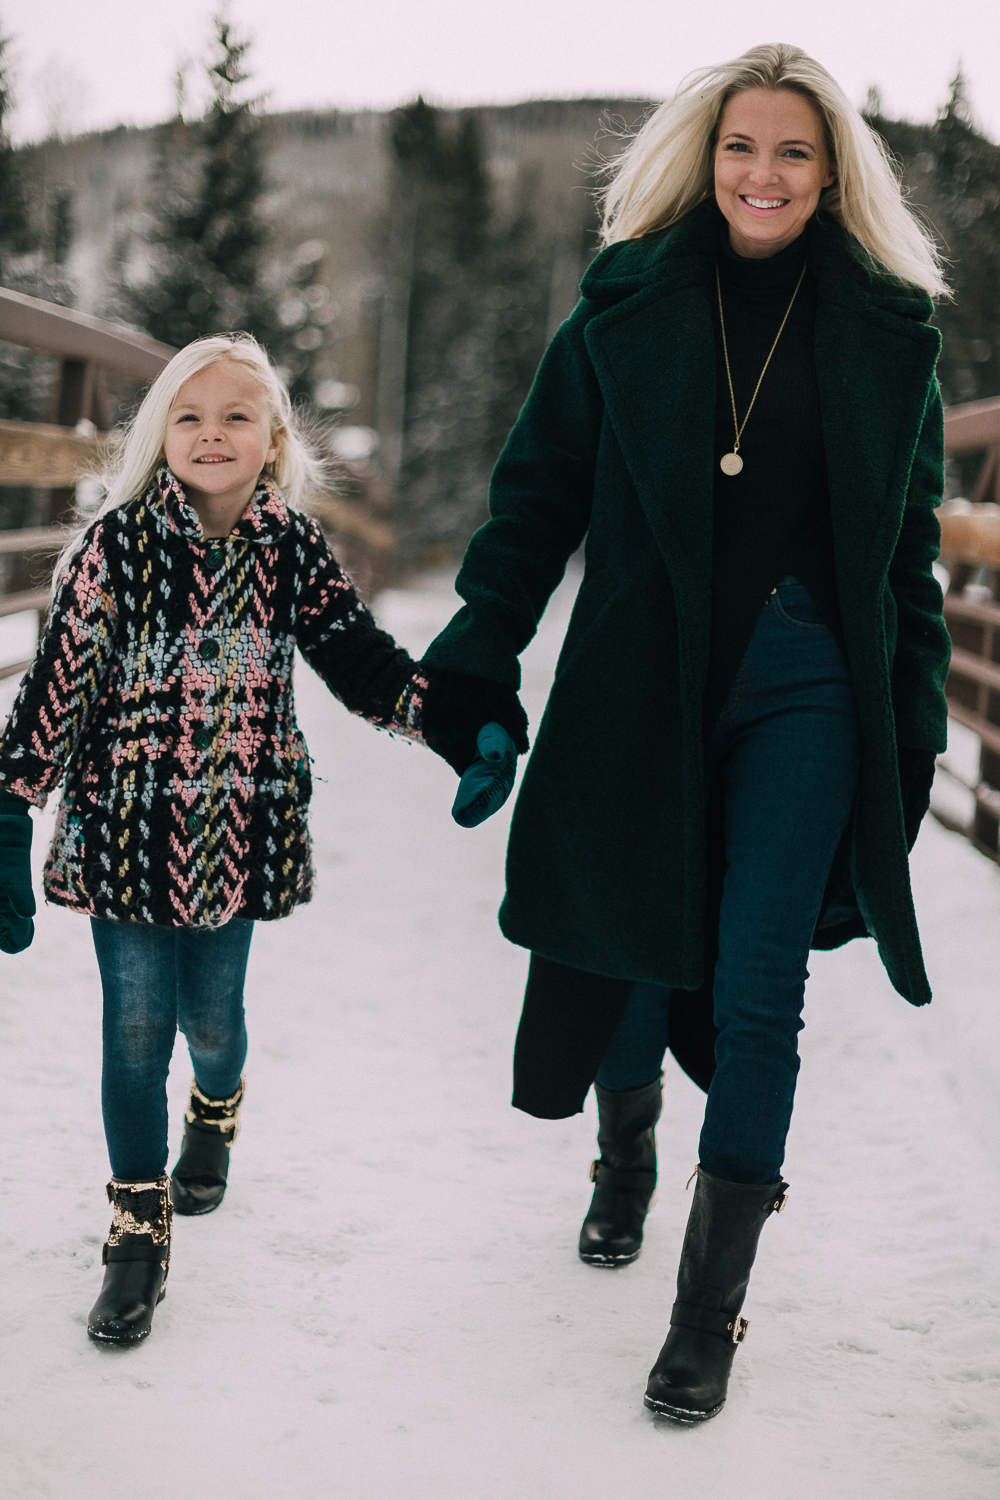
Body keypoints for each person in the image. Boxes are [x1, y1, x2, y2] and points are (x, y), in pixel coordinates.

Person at [419, 43, 951, 1422]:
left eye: (791, 152)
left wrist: (914, 724)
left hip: (808, 684)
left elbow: (904, 563)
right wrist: (482, 646)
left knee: (761, 974)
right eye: (739, 148)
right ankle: (625, 1149)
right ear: (704, 159)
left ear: (832, 174)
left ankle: (707, 1312)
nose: (761, 174)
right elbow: (534, 500)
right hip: (642, 678)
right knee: (634, 961)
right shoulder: (626, 308)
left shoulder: (889, 332)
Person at [0, 333, 525, 1346]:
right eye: (189, 416)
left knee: (213, 1021)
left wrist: (454, 724)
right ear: (161, 433)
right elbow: (56, 688)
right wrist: (9, 799)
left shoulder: (289, 549)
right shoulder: (117, 548)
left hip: (236, 829)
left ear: (273, 437)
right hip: (125, 828)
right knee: (135, 1029)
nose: (211, 434)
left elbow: (360, 663)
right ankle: (135, 1234)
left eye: (235, 416)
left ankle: (220, 1102)